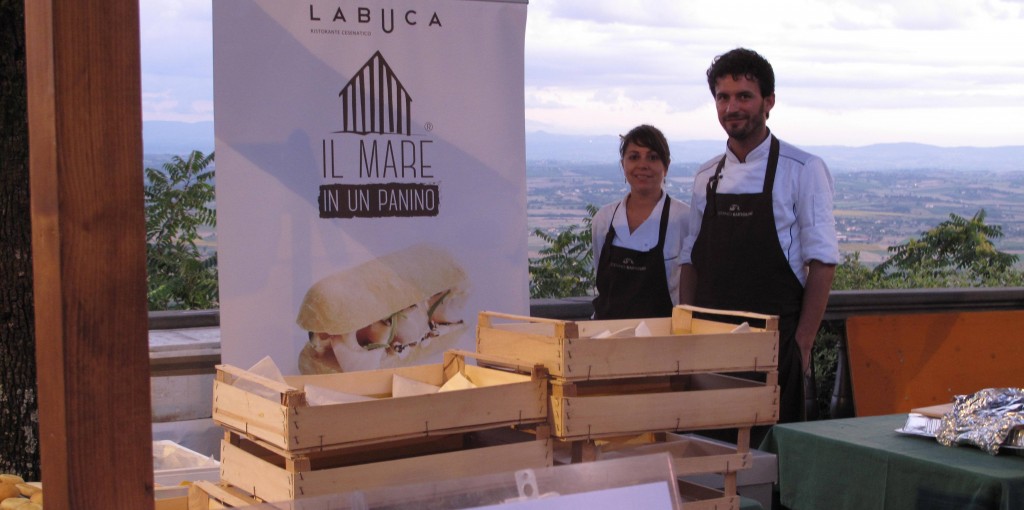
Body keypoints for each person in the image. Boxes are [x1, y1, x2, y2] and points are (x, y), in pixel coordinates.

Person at [678, 48, 839, 423]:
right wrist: (685, 328)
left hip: (774, 346)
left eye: (744, 96)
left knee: (771, 465)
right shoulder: (706, 176)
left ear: (769, 102)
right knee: (710, 454)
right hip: (710, 342)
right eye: (723, 97)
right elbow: (690, 259)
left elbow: (823, 261)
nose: (732, 107)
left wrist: (803, 341)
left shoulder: (804, 169)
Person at [592, 124, 690, 320]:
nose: (643, 165)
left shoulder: (683, 219)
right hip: (607, 337)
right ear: (623, 164)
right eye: (634, 157)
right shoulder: (604, 219)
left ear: (666, 165)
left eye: (652, 157)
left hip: (663, 338)